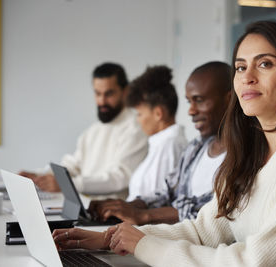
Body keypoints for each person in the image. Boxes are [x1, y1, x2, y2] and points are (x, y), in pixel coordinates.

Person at [54, 20, 276, 265]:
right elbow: (203, 231)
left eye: (265, 64)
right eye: (241, 67)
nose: (247, 76)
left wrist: (145, 246)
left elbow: (258, 263)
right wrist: (113, 238)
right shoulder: (251, 150)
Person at [87, 61, 231, 225]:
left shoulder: (245, 157)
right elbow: (167, 192)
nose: (191, 111)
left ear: (230, 100)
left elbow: (210, 209)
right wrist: (125, 206)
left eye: (199, 100)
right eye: (189, 102)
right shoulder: (195, 148)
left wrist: (142, 215)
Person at [20, 63, 148, 199]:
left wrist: (68, 185)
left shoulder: (136, 128)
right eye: (97, 93)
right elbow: (73, 166)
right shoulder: (93, 131)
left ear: (125, 91)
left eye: (109, 94)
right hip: (87, 208)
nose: (102, 101)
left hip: (114, 215)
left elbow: (119, 178)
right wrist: (39, 176)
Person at [118, 65, 188, 201]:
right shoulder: (161, 144)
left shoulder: (170, 145)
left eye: (139, 114)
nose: (137, 120)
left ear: (158, 113)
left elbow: (156, 202)